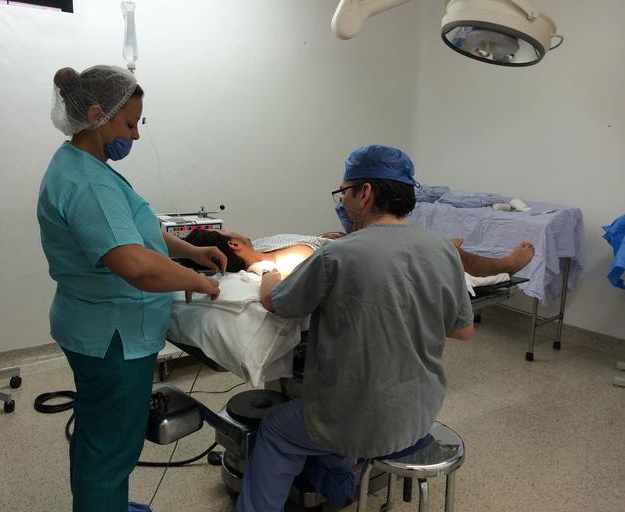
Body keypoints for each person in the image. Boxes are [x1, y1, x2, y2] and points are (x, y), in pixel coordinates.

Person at [233, 145, 474, 512]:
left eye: (344, 191)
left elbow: (275, 302)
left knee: (277, 431)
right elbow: (463, 330)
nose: (341, 200)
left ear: (365, 193)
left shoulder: (337, 254)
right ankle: (338, 481)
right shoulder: (442, 248)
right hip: (419, 411)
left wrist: (265, 269)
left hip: (355, 418)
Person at [37, 65, 226, 512]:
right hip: (114, 338)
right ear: (97, 116)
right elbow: (136, 266)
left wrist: (192, 252)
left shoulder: (80, 163)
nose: (136, 135)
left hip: (92, 326)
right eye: (129, 124)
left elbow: (135, 231)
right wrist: (200, 282)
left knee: (97, 432)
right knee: (112, 448)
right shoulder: (89, 184)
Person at [185, 228, 535, 279]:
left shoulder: (261, 247)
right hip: (374, 256)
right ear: (234, 246)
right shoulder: (276, 263)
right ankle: (504, 265)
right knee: (444, 252)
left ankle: (438, 245)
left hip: (350, 242)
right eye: (231, 233)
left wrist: (323, 237)